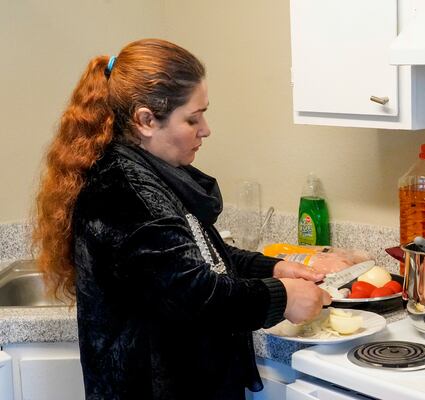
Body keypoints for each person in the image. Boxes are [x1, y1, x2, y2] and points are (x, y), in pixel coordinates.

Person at [32, 38, 332, 400]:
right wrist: (282, 297)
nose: (205, 129)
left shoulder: (155, 174)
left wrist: (273, 269)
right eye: (192, 118)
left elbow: (201, 256)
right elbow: (198, 295)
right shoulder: (124, 191)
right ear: (145, 120)